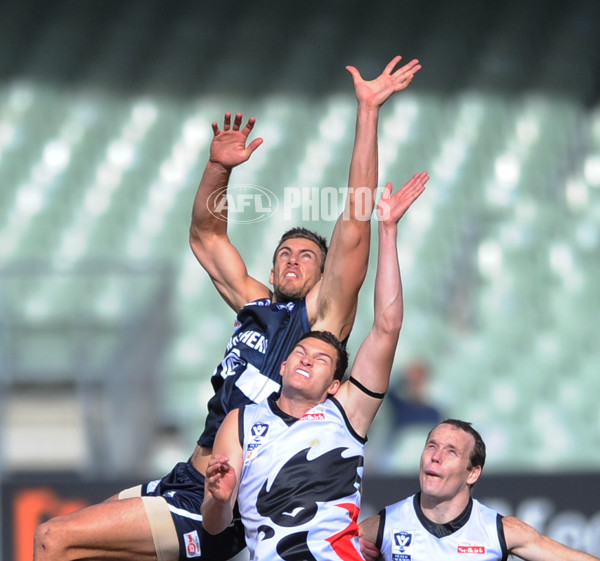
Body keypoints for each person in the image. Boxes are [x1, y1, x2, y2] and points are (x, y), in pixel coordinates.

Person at [33, 55, 422, 561]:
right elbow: (205, 234)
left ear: (325, 276)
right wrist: (218, 168)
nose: (292, 258)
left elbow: (354, 221)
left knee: (54, 538)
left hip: (225, 498)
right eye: (284, 251)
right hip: (187, 478)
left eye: (308, 256)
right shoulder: (255, 303)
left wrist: (367, 112)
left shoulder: (322, 321)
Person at [201, 175, 429, 561]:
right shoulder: (240, 423)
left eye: (322, 359)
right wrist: (220, 500)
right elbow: (214, 523)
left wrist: (387, 232)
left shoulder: (346, 415)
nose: (307, 358)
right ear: (284, 364)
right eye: (302, 352)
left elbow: (387, 326)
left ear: (335, 385)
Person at [359, 419, 600, 561]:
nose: (436, 457)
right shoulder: (384, 525)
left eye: (451, 451)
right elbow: (323, 548)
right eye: (431, 446)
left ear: (473, 472)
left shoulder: (500, 531)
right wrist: (345, 547)